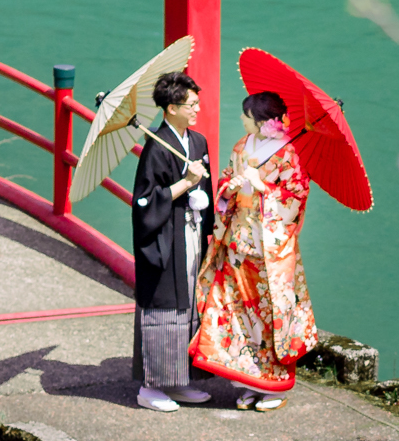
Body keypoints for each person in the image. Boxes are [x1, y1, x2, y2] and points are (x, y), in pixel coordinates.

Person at [188, 85, 319, 405]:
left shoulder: (289, 154)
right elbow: (226, 180)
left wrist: (265, 190)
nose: (243, 121)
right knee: (238, 310)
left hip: (270, 249)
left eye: (247, 117)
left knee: (270, 314)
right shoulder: (242, 146)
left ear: (263, 121)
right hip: (238, 240)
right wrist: (230, 188)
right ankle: (250, 379)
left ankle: (272, 384)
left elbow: (296, 198)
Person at [124, 73, 214, 411]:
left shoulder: (198, 142)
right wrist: (185, 183)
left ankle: (179, 381)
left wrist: (202, 198)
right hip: (165, 239)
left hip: (191, 233)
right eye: (191, 104)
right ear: (171, 107)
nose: (197, 109)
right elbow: (144, 204)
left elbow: (203, 189)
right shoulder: (155, 148)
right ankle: (150, 387)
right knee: (164, 309)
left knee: (189, 305)